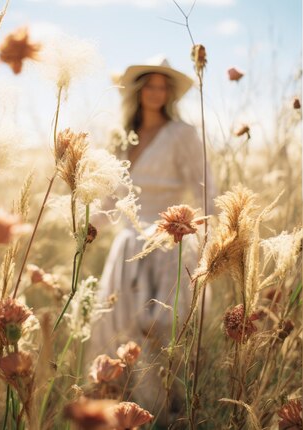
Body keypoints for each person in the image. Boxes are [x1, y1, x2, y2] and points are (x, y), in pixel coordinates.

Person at [88, 57, 216, 421]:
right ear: (139, 90)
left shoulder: (183, 133)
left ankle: (165, 411)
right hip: (129, 242)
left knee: (162, 326)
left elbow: (205, 185)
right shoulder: (122, 136)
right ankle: (122, 409)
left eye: (163, 86)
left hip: (170, 242)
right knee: (121, 326)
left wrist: (207, 237)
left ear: (169, 93)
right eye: (150, 85)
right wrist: (91, 225)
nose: (157, 92)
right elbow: (114, 192)